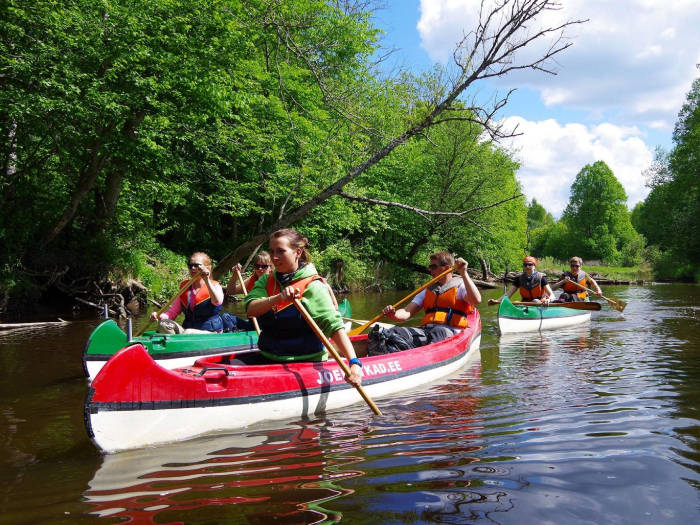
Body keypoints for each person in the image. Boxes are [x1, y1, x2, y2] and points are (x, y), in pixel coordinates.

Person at [244, 229, 362, 386]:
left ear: (297, 252)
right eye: (272, 251)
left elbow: (334, 327)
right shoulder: (266, 280)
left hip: (305, 362)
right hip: (268, 357)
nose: (274, 257)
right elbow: (251, 309)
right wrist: (279, 298)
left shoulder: (313, 286)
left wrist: (354, 363)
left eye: (281, 251)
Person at [367, 252, 481, 355]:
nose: (430, 270)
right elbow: (407, 312)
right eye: (430, 266)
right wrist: (393, 314)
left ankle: (420, 354)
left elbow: (476, 300)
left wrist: (464, 273)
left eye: (433, 266)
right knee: (388, 333)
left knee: (438, 332)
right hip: (427, 331)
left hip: (449, 332)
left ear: (446, 268)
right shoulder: (428, 290)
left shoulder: (461, 286)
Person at [151, 252, 225, 333]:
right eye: (190, 266)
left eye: (197, 265)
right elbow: (173, 312)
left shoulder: (215, 286)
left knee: (188, 332)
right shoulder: (185, 287)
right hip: (187, 330)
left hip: (211, 331)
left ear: (207, 268)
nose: (193, 268)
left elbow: (217, 301)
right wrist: (159, 316)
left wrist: (206, 280)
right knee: (163, 324)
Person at [487, 255, 553, 306]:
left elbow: (552, 295)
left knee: (535, 301)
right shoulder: (519, 279)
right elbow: (508, 294)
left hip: (540, 302)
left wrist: (548, 300)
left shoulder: (541, 278)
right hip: (526, 303)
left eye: (530, 264)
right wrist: (497, 301)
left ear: (534, 266)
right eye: (525, 265)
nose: (527, 267)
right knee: (516, 302)